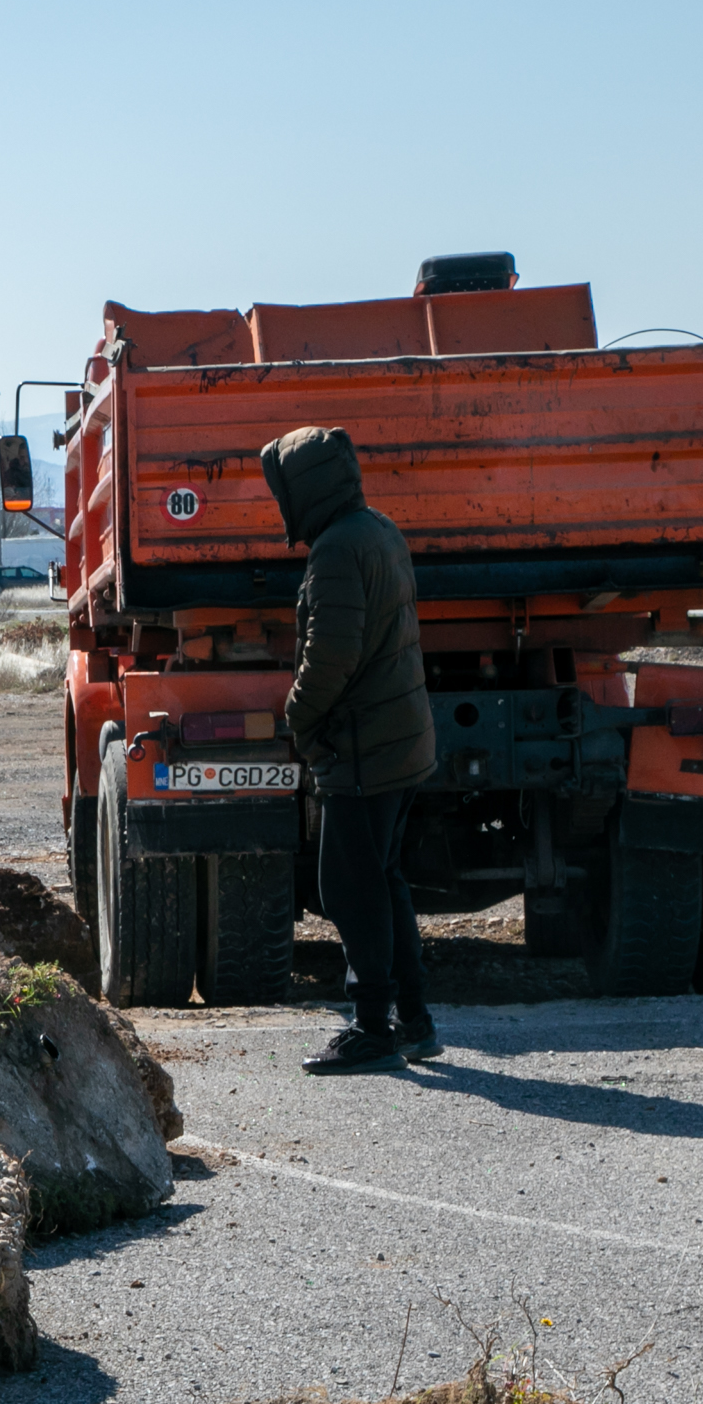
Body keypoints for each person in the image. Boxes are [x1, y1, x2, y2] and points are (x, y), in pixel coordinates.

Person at [261, 426, 440, 1076]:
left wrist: (297, 719)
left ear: (304, 490)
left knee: (349, 889)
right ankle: (414, 1020)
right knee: (383, 879)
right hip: (397, 740)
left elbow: (329, 658)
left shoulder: (337, 550)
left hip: (364, 749)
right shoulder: (379, 529)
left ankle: (370, 1028)